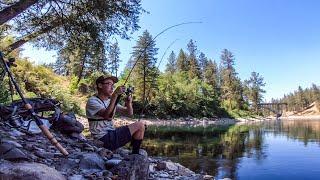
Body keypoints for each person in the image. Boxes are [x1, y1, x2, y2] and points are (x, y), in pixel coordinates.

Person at [86, 75, 145, 154]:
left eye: (113, 85)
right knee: (140, 125)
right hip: (102, 139)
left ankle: (134, 154)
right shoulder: (92, 101)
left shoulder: (109, 101)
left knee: (142, 126)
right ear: (100, 85)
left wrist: (129, 103)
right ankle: (135, 155)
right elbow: (107, 116)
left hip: (111, 135)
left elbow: (129, 113)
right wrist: (115, 96)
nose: (112, 87)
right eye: (109, 84)